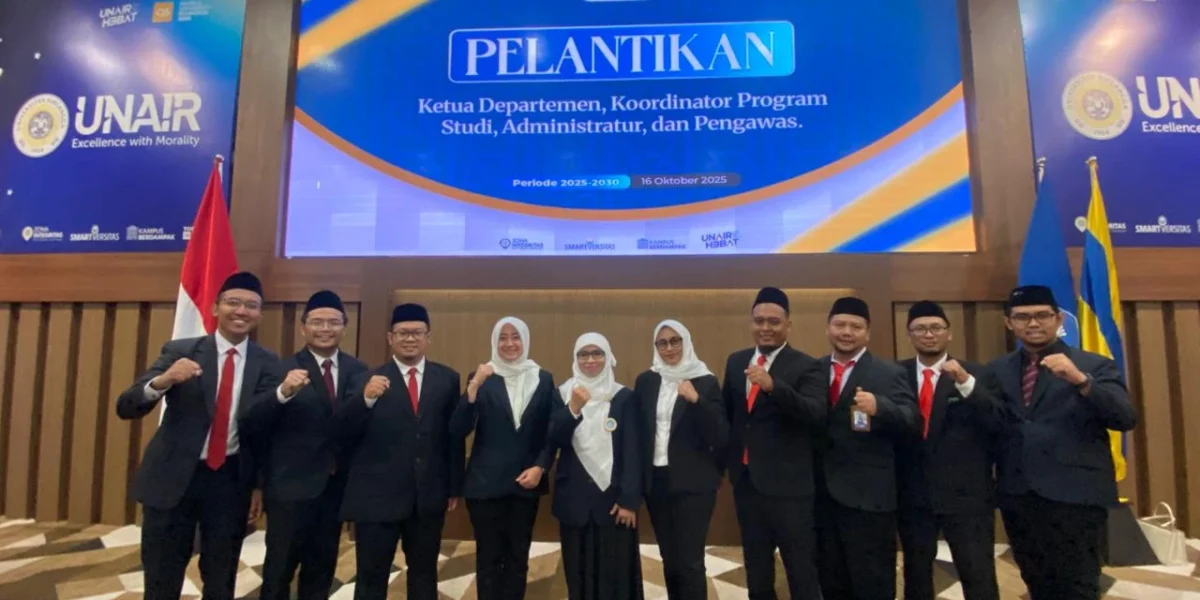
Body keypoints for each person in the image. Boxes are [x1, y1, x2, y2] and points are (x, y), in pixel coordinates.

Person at [115, 272, 282, 600]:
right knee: (162, 577)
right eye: (233, 302)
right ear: (215, 307)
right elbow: (127, 406)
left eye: (251, 305)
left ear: (259, 314)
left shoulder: (267, 362)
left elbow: (263, 430)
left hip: (229, 481)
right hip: (173, 477)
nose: (241, 311)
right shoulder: (182, 350)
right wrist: (163, 380)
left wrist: (258, 485)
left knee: (221, 577)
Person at [982, 285, 1137, 600]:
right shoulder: (997, 370)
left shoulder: (1093, 365)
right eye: (1022, 317)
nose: (1033, 323)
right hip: (1019, 494)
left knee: (1078, 584)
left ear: (1058, 319)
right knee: (1036, 580)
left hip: (1075, 495)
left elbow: (1125, 417)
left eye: (1042, 315)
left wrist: (1081, 381)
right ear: (1009, 323)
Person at [241, 290, 368, 600]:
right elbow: (252, 423)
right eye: (317, 322)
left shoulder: (359, 371)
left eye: (333, 322)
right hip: (289, 489)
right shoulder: (279, 369)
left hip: (335, 489)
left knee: (322, 568)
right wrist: (282, 393)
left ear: (344, 327)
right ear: (303, 328)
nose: (325, 329)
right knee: (279, 569)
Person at [337, 303, 464, 600]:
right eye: (403, 333)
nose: (410, 339)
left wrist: (454, 486)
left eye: (417, 332)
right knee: (371, 577)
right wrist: (366, 399)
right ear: (390, 338)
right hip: (376, 498)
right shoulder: (365, 379)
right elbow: (342, 430)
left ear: (428, 337)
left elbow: (453, 435)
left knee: (424, 575)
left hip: (427, 496)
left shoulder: (447, 379)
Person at [722, 287, 827, 600]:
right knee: (757, 568)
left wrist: (773, 386)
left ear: (788, 325)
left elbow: (815, 413)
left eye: (774, 321)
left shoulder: (807, 365)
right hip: (747, 484)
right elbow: (731, 417)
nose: (765, 327)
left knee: (801, 569)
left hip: (790, 489)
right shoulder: (736, 361)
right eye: (759, 321)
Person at [895, 301, 1000, 600]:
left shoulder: (977, 373)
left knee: (977, 573)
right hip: (913, 495)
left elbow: (996, 421)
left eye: (936, 328)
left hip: (967, 496)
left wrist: (965, 383)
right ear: (909, 334)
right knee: (916, 574)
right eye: (920, 329)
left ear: (949, 333)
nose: (929, 335)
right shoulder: (895, 373)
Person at [816, 296, 918, 600]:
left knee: (872, 582)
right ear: (828, 328)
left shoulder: (888, 372)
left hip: (869, 499)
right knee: (831, 581)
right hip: (821, 497)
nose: (847, 332)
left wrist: (881, 406)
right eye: (840, 325)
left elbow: (912, 420)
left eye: (856, 326)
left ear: (867, 333)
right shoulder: (813, 370)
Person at [451, 317, 559, 600]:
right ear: (494, 341)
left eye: (515, 337)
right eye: (503, 337)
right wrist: (473, 387)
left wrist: (541, 466)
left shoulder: (543, 379)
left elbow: (551, 432)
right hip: (484, 485)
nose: (509, 343)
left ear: (525, 340)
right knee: (488, 558)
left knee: (517, 559)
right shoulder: (482, 376)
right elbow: (458, 429)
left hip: (525, 484)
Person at [635, 319, 727, 600]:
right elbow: (640, 431)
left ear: (686, 342)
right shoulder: (647, 381)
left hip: (694, 484)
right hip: (657, 482)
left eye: (675, 341)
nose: (669, 348)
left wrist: (697, 401)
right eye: (662, 343)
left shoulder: (705, 381)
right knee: (670, 558)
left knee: (690, 561)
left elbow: (720, 434)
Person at [550, 333, 643, 600]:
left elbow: (633, 450)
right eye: (583, 354)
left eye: (597, 353)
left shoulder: (623, 397)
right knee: (577, 573)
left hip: (613, 501)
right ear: (575, 358)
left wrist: (629, 501)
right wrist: (573, 409)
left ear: (608, 356)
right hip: (574, 499)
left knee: (615, 575)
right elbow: (554, 438)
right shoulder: (562, 394)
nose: (590, 360)